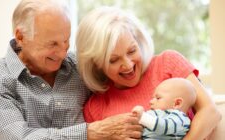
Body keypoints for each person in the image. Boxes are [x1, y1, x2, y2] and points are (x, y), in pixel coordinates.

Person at [0, 1, 142, 139]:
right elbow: (21, 137)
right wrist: (90, 132)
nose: (63, 53)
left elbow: (126, 73)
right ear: (20, 37)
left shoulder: (78, 66)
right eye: (52, 44)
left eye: (66, 41)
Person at [76, 7, 221, 139]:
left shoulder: (168, 64)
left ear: (138, 41)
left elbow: (210, 112)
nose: (128, 65)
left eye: (132, 51)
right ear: (96, 64)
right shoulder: (95, 107)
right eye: (113, 60)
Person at [132, 78, 197, 139]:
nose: (150, 102)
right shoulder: (158, 114)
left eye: (158, 98)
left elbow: (163, 126)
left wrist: (143, 116)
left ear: (177, 103)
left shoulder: (180, 119)